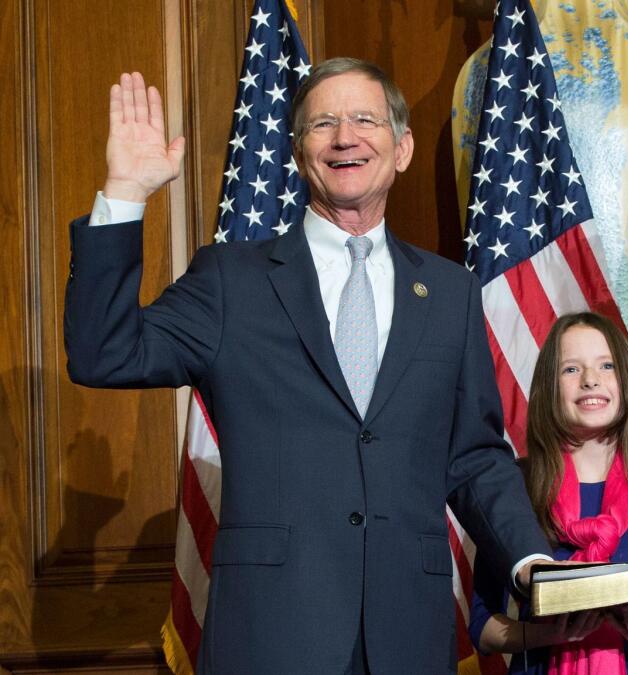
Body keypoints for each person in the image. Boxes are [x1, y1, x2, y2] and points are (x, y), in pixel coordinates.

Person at [63, 59, 552, 674]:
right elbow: (104, 352)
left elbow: (476, 456)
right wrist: (127, 195)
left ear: (401, 149)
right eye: (323, 124)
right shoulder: (230, 280)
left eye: (364, 120)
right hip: (272, 633)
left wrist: (530, 559)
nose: (345, 137)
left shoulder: (451, 293)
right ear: (298, 154)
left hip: (409, 635)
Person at [468, 312, 628, 674]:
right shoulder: (513, 485)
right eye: (570, 369)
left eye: (606, 366)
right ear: (547, 387)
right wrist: (548, 635)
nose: (590, 380)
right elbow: (483, 627)